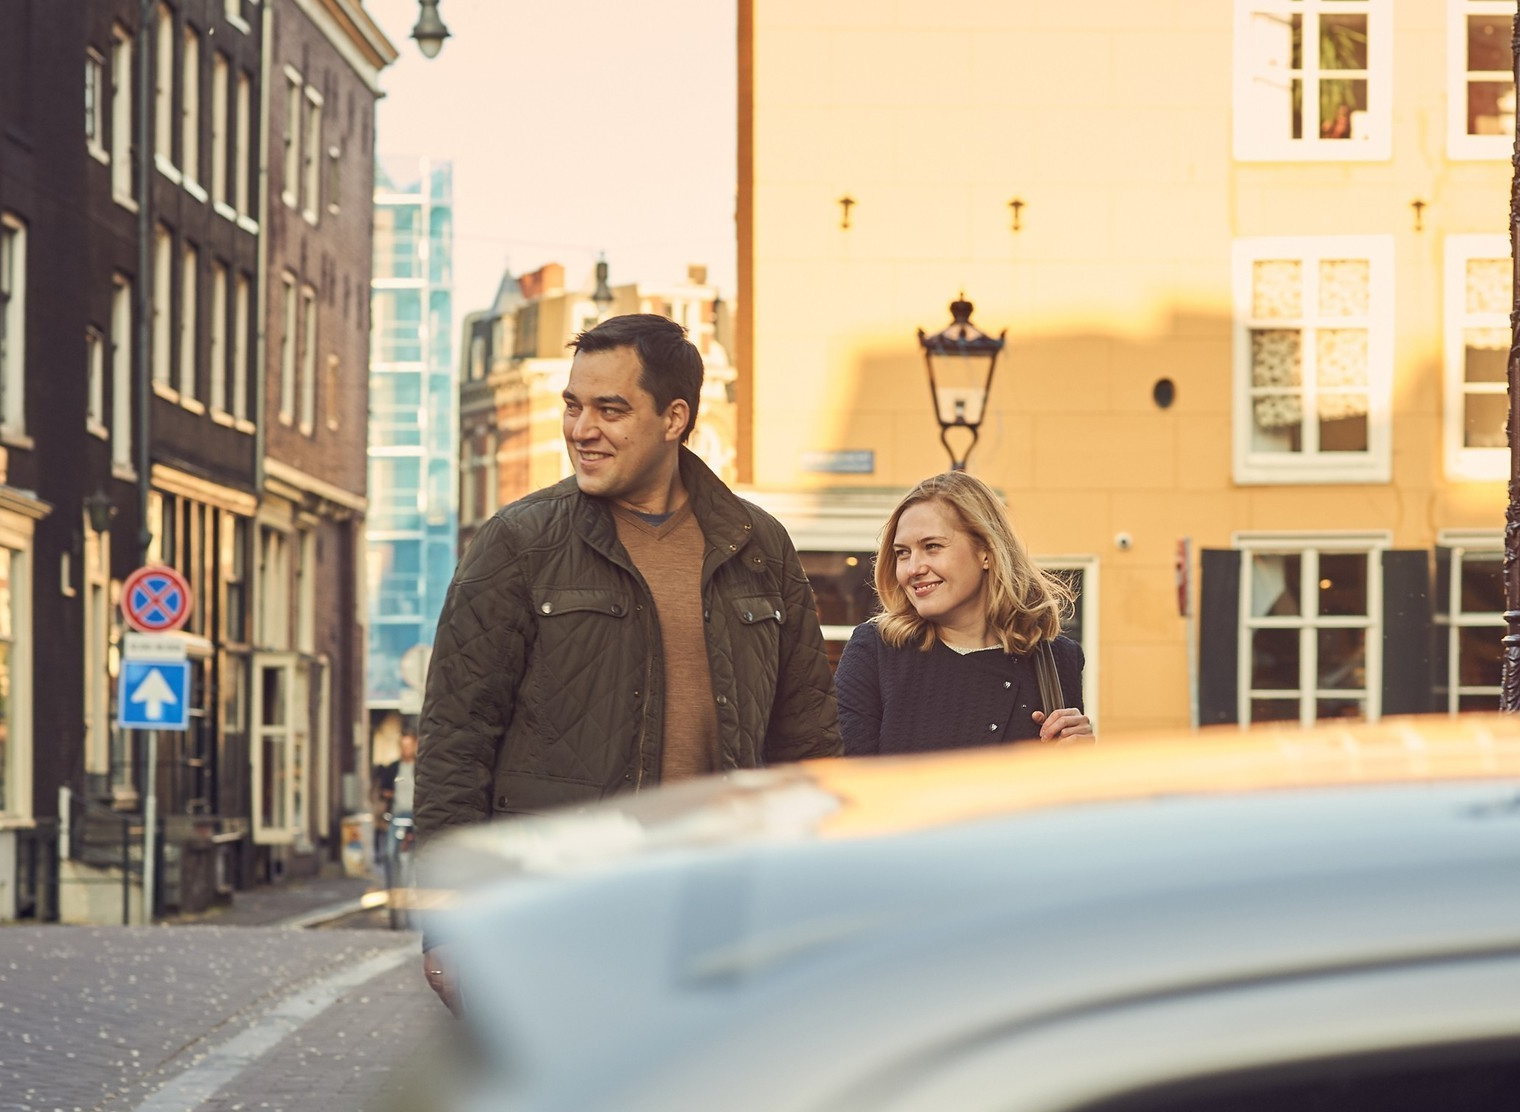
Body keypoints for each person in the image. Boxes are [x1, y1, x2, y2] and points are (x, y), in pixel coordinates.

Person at [414, 314, 841, 1011]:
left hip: (723, 921)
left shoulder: (759, 546)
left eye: (611, 409)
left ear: (675, 418)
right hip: (557, 916)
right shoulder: (518, 545)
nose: (582, 429)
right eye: (573, 405)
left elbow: (809, 746)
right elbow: (454, 744)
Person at [836, 471, 1092, 756]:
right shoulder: (876, 651)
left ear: (986, 551)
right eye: (902, 553)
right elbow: (847, 784)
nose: (913, 569)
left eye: (932, 547)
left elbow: (1058, 794)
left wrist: (1079, 760)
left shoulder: (1056, 660)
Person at [372, 731, 418, 889]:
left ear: (415, 746)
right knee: (390, 852)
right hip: (397, 815)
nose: (406, 749)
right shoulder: (393, 768)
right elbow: (383, 790)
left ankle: (415, 885)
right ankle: (393, 888)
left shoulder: (420, 768)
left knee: (418, 853)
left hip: (416, 815)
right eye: (403, 746)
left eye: (409, 746)